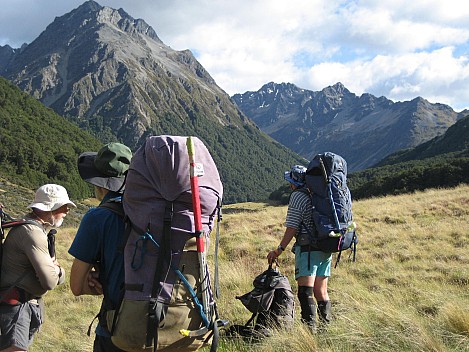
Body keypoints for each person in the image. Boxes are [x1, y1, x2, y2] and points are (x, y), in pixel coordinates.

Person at [68, 142, 132, 352]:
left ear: (101, 184)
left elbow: (76, 287)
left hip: (116, 331)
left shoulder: (97, 217)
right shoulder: (151, 211)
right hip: (163, 327)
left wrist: (99, 283)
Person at [0, 184, 75, 352]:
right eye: (64, 206)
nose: (67, 211)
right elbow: (50, 282)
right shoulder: (33, 233)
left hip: (21, 306)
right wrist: (59, 270)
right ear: (51, 207)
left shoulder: (33, 229)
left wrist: (57, 272)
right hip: (16, 309)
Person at [267, 165, 332, 332]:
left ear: (294, 182)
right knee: (321, 292)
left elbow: (292, 227)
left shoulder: (297, 196)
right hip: (325, 246)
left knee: (305, 292)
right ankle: (325, 331)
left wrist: (279, 250)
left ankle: (310, 333)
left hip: (308, 249)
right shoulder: (317, 194)